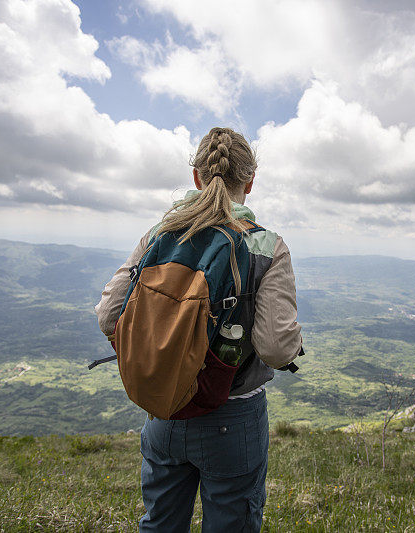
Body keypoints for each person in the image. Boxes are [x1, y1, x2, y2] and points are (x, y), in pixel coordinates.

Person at [94, 127, 303, 532]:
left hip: (163, 407)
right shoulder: (266, 246)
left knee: (160, 524)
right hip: (233, 414)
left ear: (197, 178)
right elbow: (276, 348)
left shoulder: (161, 234)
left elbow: (108, 315)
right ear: (250, 181)